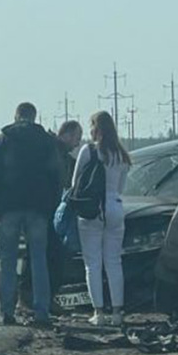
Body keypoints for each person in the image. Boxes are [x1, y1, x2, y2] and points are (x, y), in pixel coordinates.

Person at [0, 102, 62, 326]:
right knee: (39, 260)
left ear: (16, 116)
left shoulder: (4, 139)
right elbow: (56, 175)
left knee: (7, 260)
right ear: (34, 116)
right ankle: (41, 311)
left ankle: (7, 311)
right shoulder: (46, 141)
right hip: (38, 208)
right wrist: (51, 205)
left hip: (9, 207)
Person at [72, 110, 131, 327]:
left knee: (93, 263)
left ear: (96, 129)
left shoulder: (88, 151)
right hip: (115, 207)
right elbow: (120, 188)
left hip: (92, 211)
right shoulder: (122, 155)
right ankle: (117, 312)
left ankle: (99, 312)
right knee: (114, 261)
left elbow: (75, 182)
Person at [47, 120, 83, 306]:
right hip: (50, 212)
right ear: (67, 134)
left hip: (49, 211)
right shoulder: (56, 154)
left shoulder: (58, 153)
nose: (77, 143)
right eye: (77, 137)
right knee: (52, 257)